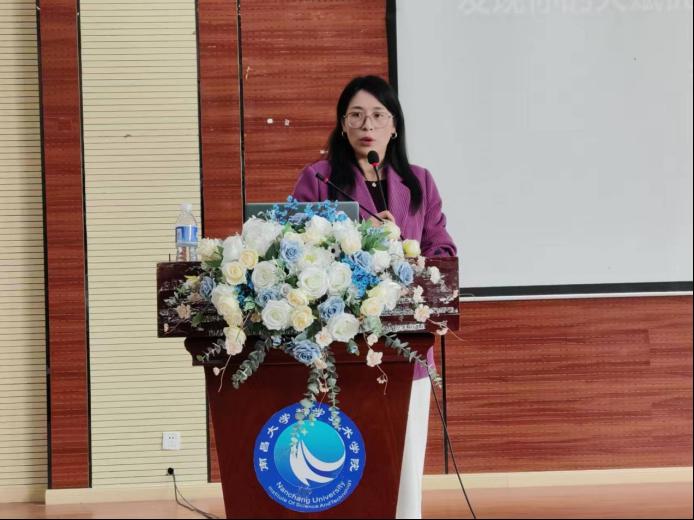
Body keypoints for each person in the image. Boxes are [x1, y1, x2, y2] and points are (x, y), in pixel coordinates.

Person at [292, 75, 457, 519]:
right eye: (357, 115)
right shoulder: (319, 178)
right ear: (342, 124)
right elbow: (297, 247)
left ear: (394, 126)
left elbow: (442, 253)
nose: (368, 125)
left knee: (403, 468)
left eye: (379, 115)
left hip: (405, 344)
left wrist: (401, 244)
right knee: (340, 464)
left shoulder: (419, 182)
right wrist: (358, 241)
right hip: (337, 344)